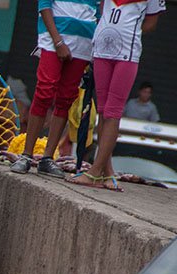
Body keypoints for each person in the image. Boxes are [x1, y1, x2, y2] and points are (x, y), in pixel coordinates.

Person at [68, 0, 165, 192]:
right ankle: (107, 171)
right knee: (103, 111)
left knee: (113, 113)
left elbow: (151, 23)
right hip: (102, 49)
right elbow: (103, 9)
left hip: (126, 54)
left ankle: (95, 171)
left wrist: (128, 31)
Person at [10, 0, 99, 178]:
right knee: (44, 90)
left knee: (66, 98)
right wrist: (58, 42)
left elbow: (100, 12)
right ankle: (26, 155)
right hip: (53, 38)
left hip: (83, 43)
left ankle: (47, 158)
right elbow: (44, 6)